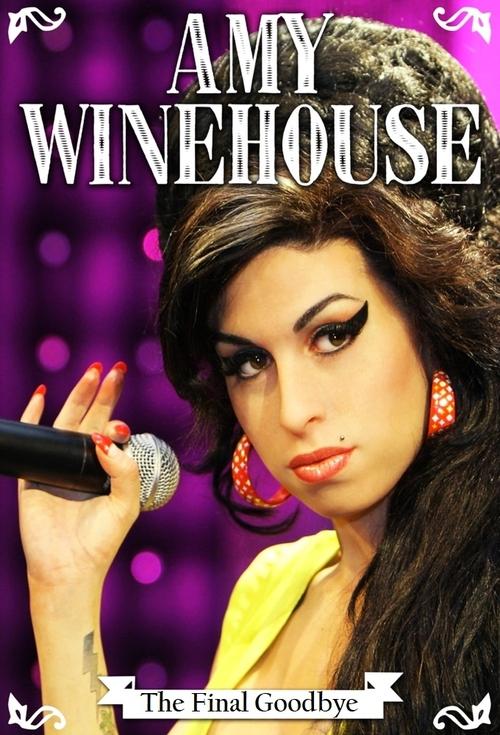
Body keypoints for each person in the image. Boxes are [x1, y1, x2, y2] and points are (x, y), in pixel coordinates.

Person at [18, 16, 498, 735]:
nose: (293, 409)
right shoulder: (271, 591)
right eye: (248, 362)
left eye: (332, 335)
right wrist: (63, 589)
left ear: (433, 322)